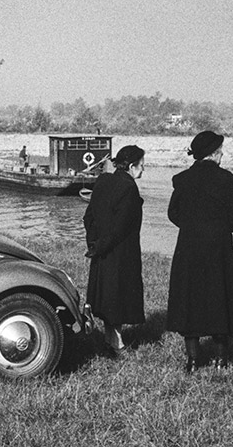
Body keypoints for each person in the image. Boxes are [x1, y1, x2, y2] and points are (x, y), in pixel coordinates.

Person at [166, 131, 233, 371]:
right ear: (213, 153)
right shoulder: (226, 179)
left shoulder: (181, 179)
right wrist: (219, 230)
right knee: (219, 297)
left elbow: (173, 214)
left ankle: (192, 359)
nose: (222, 155)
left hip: (189, 247)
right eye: (220, 151)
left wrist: (192, 228)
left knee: (189, 299)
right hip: (218, 247)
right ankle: (221, 359)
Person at [83, 145, 146, 352]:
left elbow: (88, 217)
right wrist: (102, 245)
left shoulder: (103, 181)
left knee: (106, 295)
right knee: (118, 295)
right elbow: (121, 227)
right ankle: (117, 343)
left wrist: (94, 244)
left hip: (102, 250)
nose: (143, 170)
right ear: (130, 166)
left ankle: (109, 338)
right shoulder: (128, 188)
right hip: (121, 251)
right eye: (141, 165)